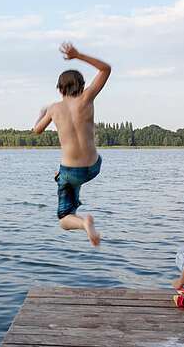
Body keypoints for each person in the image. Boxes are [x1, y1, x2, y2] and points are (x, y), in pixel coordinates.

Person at [33, 42, 111, 246]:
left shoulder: (53, 108)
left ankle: (84, 223)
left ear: (59, 89)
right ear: (82, 86)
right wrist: (78, 55)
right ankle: (64, 181)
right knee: (71, 177)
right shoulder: (87, 98)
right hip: (93, 167)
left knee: (64, 218)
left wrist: (42, 114)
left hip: (69, 172)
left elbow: (37, 130)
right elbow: (106, 69)